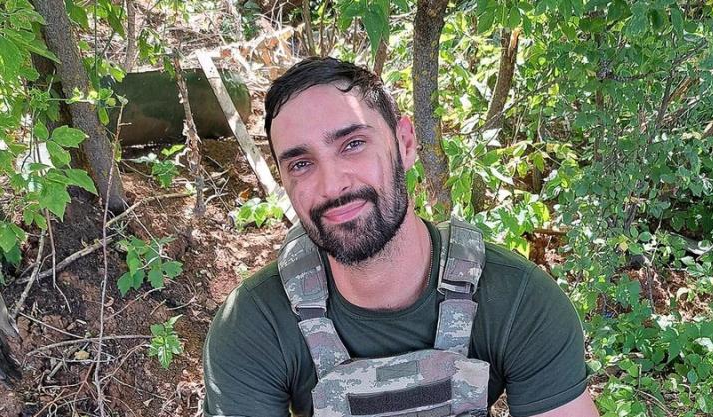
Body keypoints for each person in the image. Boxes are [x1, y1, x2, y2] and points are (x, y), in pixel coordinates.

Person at [203, 57, 599, 417]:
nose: (332, 185)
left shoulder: (515, 300)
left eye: (352, 145)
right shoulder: (255, 325)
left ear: (405, 143)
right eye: (301, 164)